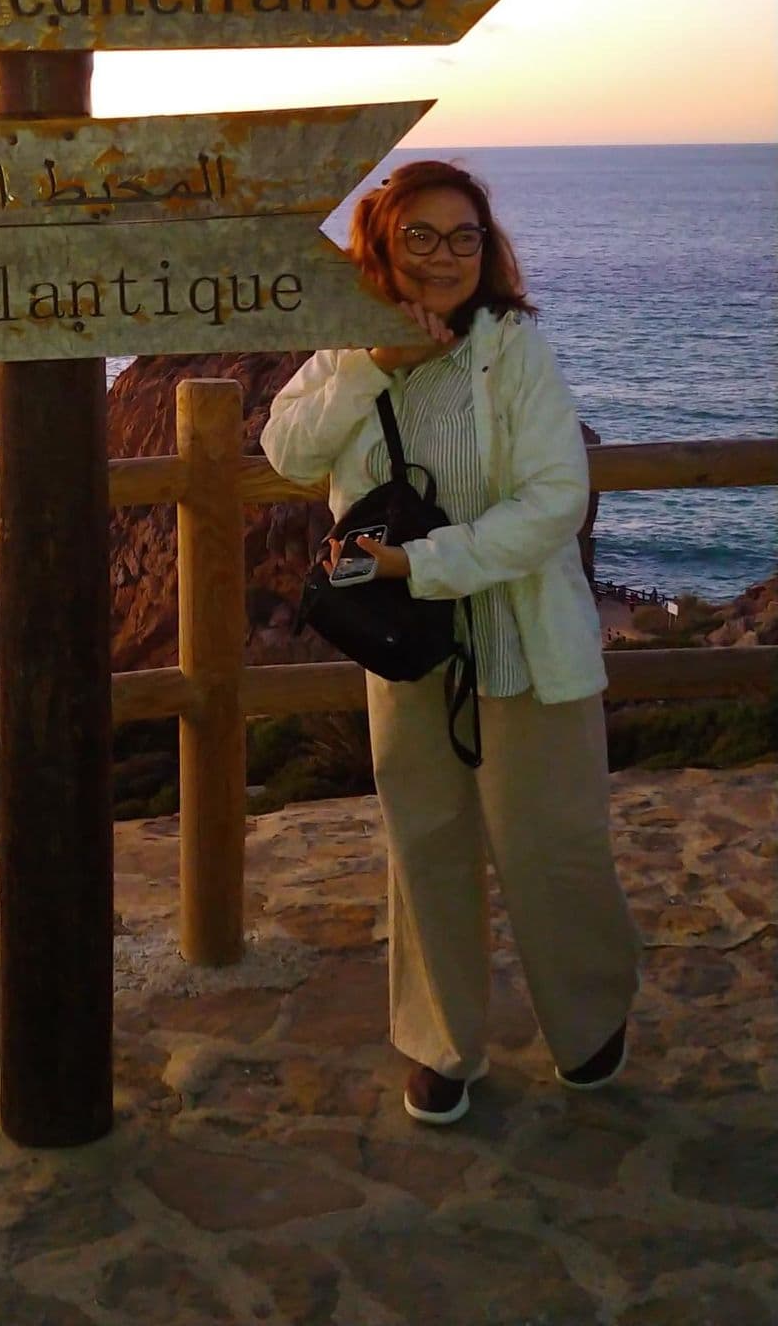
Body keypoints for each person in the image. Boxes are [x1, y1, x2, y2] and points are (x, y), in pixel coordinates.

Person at [262, 160, 640, 1127]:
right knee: (425, 842)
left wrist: (421, 564)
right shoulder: (348, 348)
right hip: (406, 650)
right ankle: (440, 1042)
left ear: (488, 250)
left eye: (463, 236)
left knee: (551, 842)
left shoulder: (512, 349)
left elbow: (556, 500)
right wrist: (373, 369)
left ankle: (588, 1017)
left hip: (520, 643)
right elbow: (287, 450)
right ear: (381, 246)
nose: (442, 255)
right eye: (419, 235)